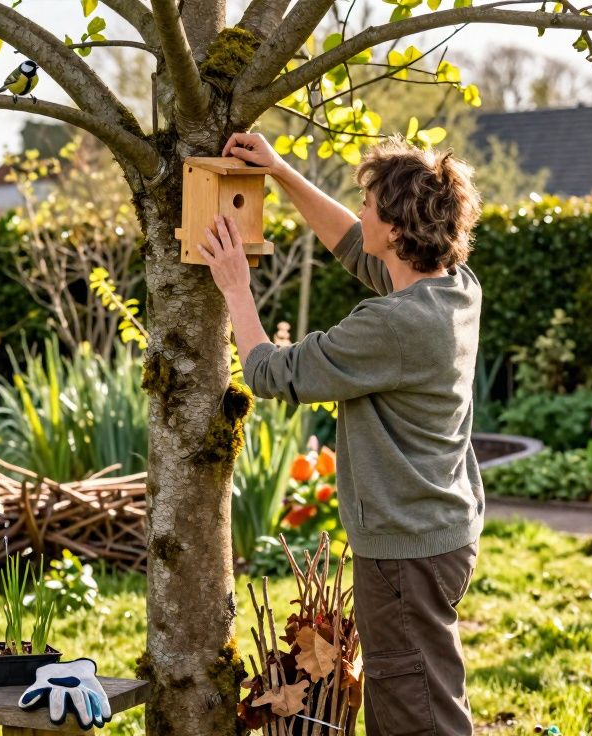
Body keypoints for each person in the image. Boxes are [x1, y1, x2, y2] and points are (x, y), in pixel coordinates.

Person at [200, 132, 484, 736]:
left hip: (405, 549)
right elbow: (356, 246)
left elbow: (272, 372)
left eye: (371, 204)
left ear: (399, 229)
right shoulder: (453, 289)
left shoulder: (394, 325)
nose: (362, 212)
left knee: (419, 715)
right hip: (434, 532)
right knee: (404, 693)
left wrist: (235, 287)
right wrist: (279, 172)